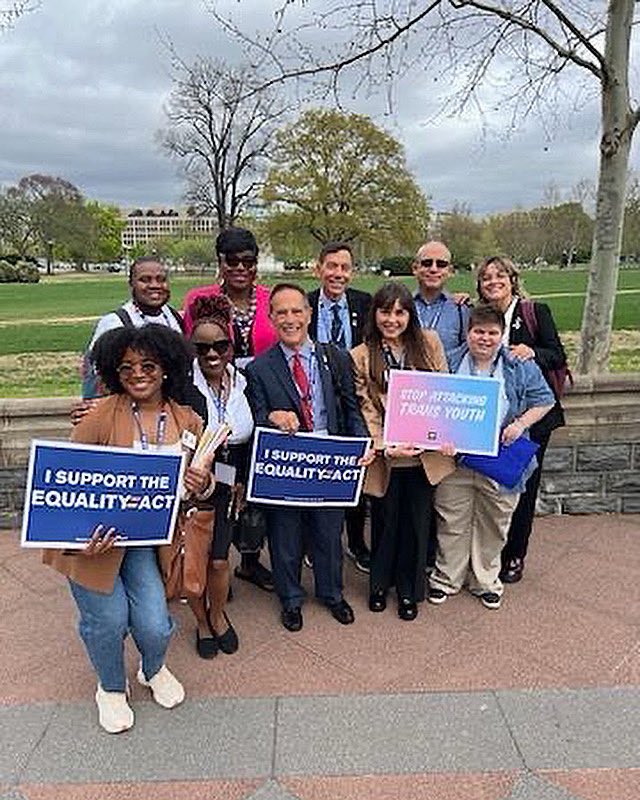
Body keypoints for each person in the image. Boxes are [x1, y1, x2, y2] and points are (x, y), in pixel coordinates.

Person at [43, 325, 212, 733]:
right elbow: (64, 484)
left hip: (143, 544)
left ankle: (152, 670)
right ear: (114, 372)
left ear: (167, 369)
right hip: (92, 544)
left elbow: (200, 487)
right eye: (126, 367)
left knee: (155, 624)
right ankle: (111, 687)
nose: (138, 373)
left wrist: (200, 483)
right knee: (109, 620)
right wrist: (80, 539)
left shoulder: (187, 419)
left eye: (148, 365)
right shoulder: (99, 415)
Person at [245, 283, 371, 632]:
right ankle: (290, 599)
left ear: (309, 314)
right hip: (287, 464)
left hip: (329, 462)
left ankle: (332, 593)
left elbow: (350, 407)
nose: (290, 319)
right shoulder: (259, 369)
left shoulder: (336, 357)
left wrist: (363, 442)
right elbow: (253, 416)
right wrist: (270, 417)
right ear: (271, 318)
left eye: (296, 311)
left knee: (329, 534)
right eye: (281, 312)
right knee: (285, 535)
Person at [428, 304, 555, 609]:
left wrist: (520, 424)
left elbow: (545, 400)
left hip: (501, 457)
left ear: (501, 334)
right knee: (451, 519)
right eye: (478, 332)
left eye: (492, 333)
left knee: (495, 521)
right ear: (468, 332)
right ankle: (447, 578)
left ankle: (485, 579)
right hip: (456, 458)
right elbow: (432, 402)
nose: (484, 338)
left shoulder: (518, 364)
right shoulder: (447, 359)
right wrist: (439, 435)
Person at [351, 282, 455, 621]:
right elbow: (366, 407)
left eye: (399, 312)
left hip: (424, 455)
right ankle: (380, 585)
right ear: (375, 314)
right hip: (389, 457)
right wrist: (385, 446)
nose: (392, 319)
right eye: (385, 311)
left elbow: (444, 392)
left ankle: (409, 591)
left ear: (409, 315)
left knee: (416, 524)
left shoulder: (429, 344)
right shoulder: (362, 355)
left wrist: (442, 434)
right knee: (384, 522)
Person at [183, 227, 277, 593]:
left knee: (253, 486)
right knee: (217, 483)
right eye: (232, 260)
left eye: (248, 261)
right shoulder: (199, 300)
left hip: (259, 397)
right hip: (214, 398)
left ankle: (249, 560)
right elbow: (193, 348)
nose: (241, 267)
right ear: (220, 262)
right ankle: (215, 559)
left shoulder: (270, 298)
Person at [476, 256, 567, 584]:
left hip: (531, 418)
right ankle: (489, 551)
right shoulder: (479, 315)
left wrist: (533, 352)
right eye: (486, 278)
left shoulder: (533, 312)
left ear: (513, 279)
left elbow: (557, 354)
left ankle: (515, 554)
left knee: (522, 485)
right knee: (490, 484)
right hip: (492, 417)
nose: (493, 281)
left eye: (500, 275)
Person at [184, 295, 254, 659]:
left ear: (231, 346)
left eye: (220, 345)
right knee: (195, 559)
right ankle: (200, 621)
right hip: (193, 483)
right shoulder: (183, 386)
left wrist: (241, 477)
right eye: (203, 347)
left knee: (219, 559)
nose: (212, 354)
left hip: (229, 480)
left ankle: (219, 614)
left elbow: (252, 433)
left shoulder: (245, 381)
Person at [308, 241, 372, 572]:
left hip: (355, 400)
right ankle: (313, 542)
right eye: (331, 266)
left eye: (345, 267)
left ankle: (357, 542)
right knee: (316, 475)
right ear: (319, 269)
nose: (338, 273)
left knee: (356, 474)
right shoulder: (304, 305)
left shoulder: (365, 303)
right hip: (315, 400)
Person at [82, 257, 183, 400]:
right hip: (127, 411)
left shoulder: (174, 318)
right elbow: (96, 377)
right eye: (145, 280)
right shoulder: (114, 323)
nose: (155, 285)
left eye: (161, 279)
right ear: (132, 284)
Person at [412, 240, 471, 356]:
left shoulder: (461, 310)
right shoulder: (402, 307)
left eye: (441, 264)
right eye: (427, 263)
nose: (433, 269)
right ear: (415, 268)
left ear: (449, 271)